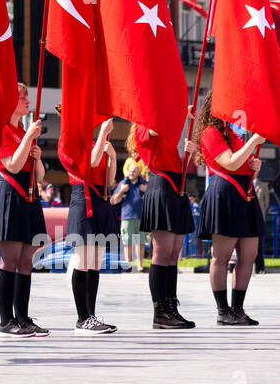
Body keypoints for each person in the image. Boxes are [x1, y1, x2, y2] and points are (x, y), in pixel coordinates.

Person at [0, 83, 48, 338]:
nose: (27, 101)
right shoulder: (4, 131)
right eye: (22, 97)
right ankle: (5, 320)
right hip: (10, 194)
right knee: (10, 259)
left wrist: (38, 155)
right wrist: (29, 138)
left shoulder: (21, 131)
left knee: (26, 260)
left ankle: (22, 317)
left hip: (29, 196)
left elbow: (39, 175)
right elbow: (12, 164)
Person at [194, 91, 266, 326]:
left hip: (244, 194)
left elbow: (241, 163)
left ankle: (238, 308)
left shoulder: (231, 134)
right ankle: (223, 310)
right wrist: (253, 142)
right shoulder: (210, 132)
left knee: (248, 255)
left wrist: (254, 167)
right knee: (222, 257)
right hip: (224, 195)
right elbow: (230, 162)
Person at [130, 112, 197, 329]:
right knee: (162, 252)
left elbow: (177, 164)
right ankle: (160, 311)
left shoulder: (167, 132)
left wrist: (189, 154)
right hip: (162, 186)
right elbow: (144, 136)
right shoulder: (145, 123)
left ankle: (171, 308)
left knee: (174, 251)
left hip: (177, 185)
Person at [62, 112, 118, 334]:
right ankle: (82, 318)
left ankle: (91, 316)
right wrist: (104, 132)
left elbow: (109, 179)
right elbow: (90, 163)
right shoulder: (70, 143)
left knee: (95, 262)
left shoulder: (95, 142)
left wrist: (112, 157)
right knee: (83, 260)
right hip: (83, 199)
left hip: (100, 200)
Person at [113, 158, 147, 273]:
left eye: (134, 171)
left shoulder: (143, 184)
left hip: (141, 217)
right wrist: (121, 191)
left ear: (139, 172)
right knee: (127, 242)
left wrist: (146, 191)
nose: (132, 174)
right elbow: (113, 201)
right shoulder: (123, 184)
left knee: (140, 242)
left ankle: (140, 265)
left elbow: (153, 199)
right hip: (127, 217)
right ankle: (128, 264)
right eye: (130, 171)